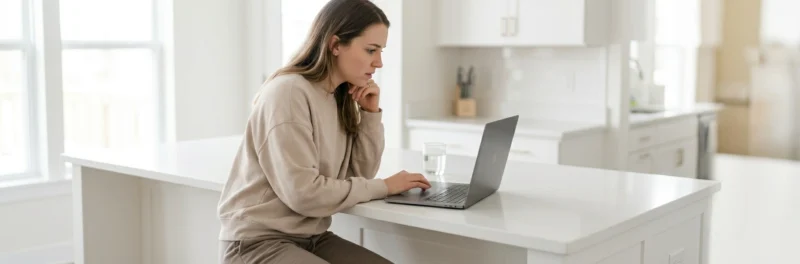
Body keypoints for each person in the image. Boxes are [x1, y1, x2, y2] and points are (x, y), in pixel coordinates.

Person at [217, 0, 432, 263]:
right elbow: (304, 195)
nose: (379, 63)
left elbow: (358, 176)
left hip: (311, 238)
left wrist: (370, 116)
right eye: (371, 50)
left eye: (381, 51)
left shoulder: (338, 97)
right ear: (335, 45)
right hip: (257, 242)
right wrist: (385, 187)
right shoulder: (288, 92)